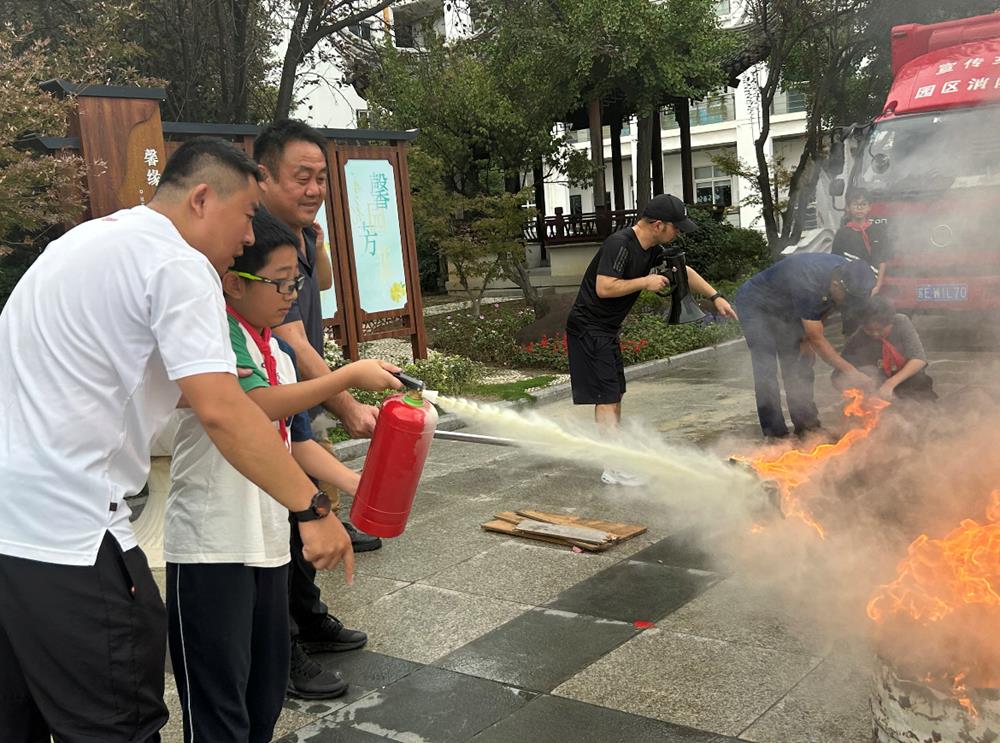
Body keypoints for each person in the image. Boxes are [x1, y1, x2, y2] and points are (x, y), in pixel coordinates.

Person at [0, 137, 400, 742]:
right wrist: (311, 506)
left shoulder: (87, 241)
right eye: (245, 217)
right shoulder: (177, 262)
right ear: (202, 199)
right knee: (118, 724)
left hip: (14, 534)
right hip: (73, 537)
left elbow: (190, 394)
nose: (247, 238)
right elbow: (225, 411)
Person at [164, 209, 396, 742]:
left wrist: (366, 488)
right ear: (232, 282)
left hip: (269, 544)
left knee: (264, 693)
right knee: (219, 703)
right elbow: (255, 406)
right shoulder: (212, 341)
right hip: (212, 546)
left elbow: (296, 444)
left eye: (297, 281)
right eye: (279, 282)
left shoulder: (279, 352)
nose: (291, 293)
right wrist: (344, 378)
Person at [252, 119, 378, 699]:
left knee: (303, 492)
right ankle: (285, 650)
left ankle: (308, 620)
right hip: (271, 384)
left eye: (321, 178)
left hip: (296, 385)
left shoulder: (301, 235)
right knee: (280, 521)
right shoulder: (256, 241)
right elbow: (294, 337)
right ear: (263, 177)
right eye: (301, 177)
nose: (314, 188)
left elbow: (318, 294)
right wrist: (347, 398)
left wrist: (317, 237)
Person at [565, 193, 737, 485]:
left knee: (614, 395)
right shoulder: (619, 244)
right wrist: (645, 282)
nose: (679, 232)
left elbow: (685, 271)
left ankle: (616, 461)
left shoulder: (652, 249)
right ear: (658, 224)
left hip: (606, 330)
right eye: (676, 227)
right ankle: (613, 466)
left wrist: (715, 296)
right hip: (588, 329)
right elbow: (604, 287)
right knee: (606, 398)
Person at [735, 253, 877, 439]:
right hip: (757, 305)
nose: (848, 305)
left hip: (790, 307)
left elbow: (826, 308)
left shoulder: (849, 274)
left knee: (800, 365)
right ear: (836, 285)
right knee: (766, 368)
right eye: (847, 299)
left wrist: (806, 340)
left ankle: (807, 427)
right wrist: (851, 372)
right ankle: (775, 434)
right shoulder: (810, 282)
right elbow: (817, 337)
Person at [834, 295, 937, 402]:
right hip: (877, 385)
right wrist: (860, 381)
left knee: (920, 384)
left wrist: (890, 384)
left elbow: (918, 359)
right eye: (869, 330)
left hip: (904, 379)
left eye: (880, 330)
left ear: (891, 323)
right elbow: (838, 374)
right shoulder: (858, 338)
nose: (875, 334)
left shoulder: (901, 322)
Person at [831, 190, 889, 335]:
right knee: (851, 327)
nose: (859, 208)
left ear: (869, 207)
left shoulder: (878, 230)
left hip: (872, 288)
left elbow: (882, 260)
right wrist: (839, 288)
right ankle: (849, 356)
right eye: (855, 205)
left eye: (863, 204)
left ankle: (872, 356)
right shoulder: (842, 233)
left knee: (873, 324)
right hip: (850, 289)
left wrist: (878, 285)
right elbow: (835, 262)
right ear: (848, 208)